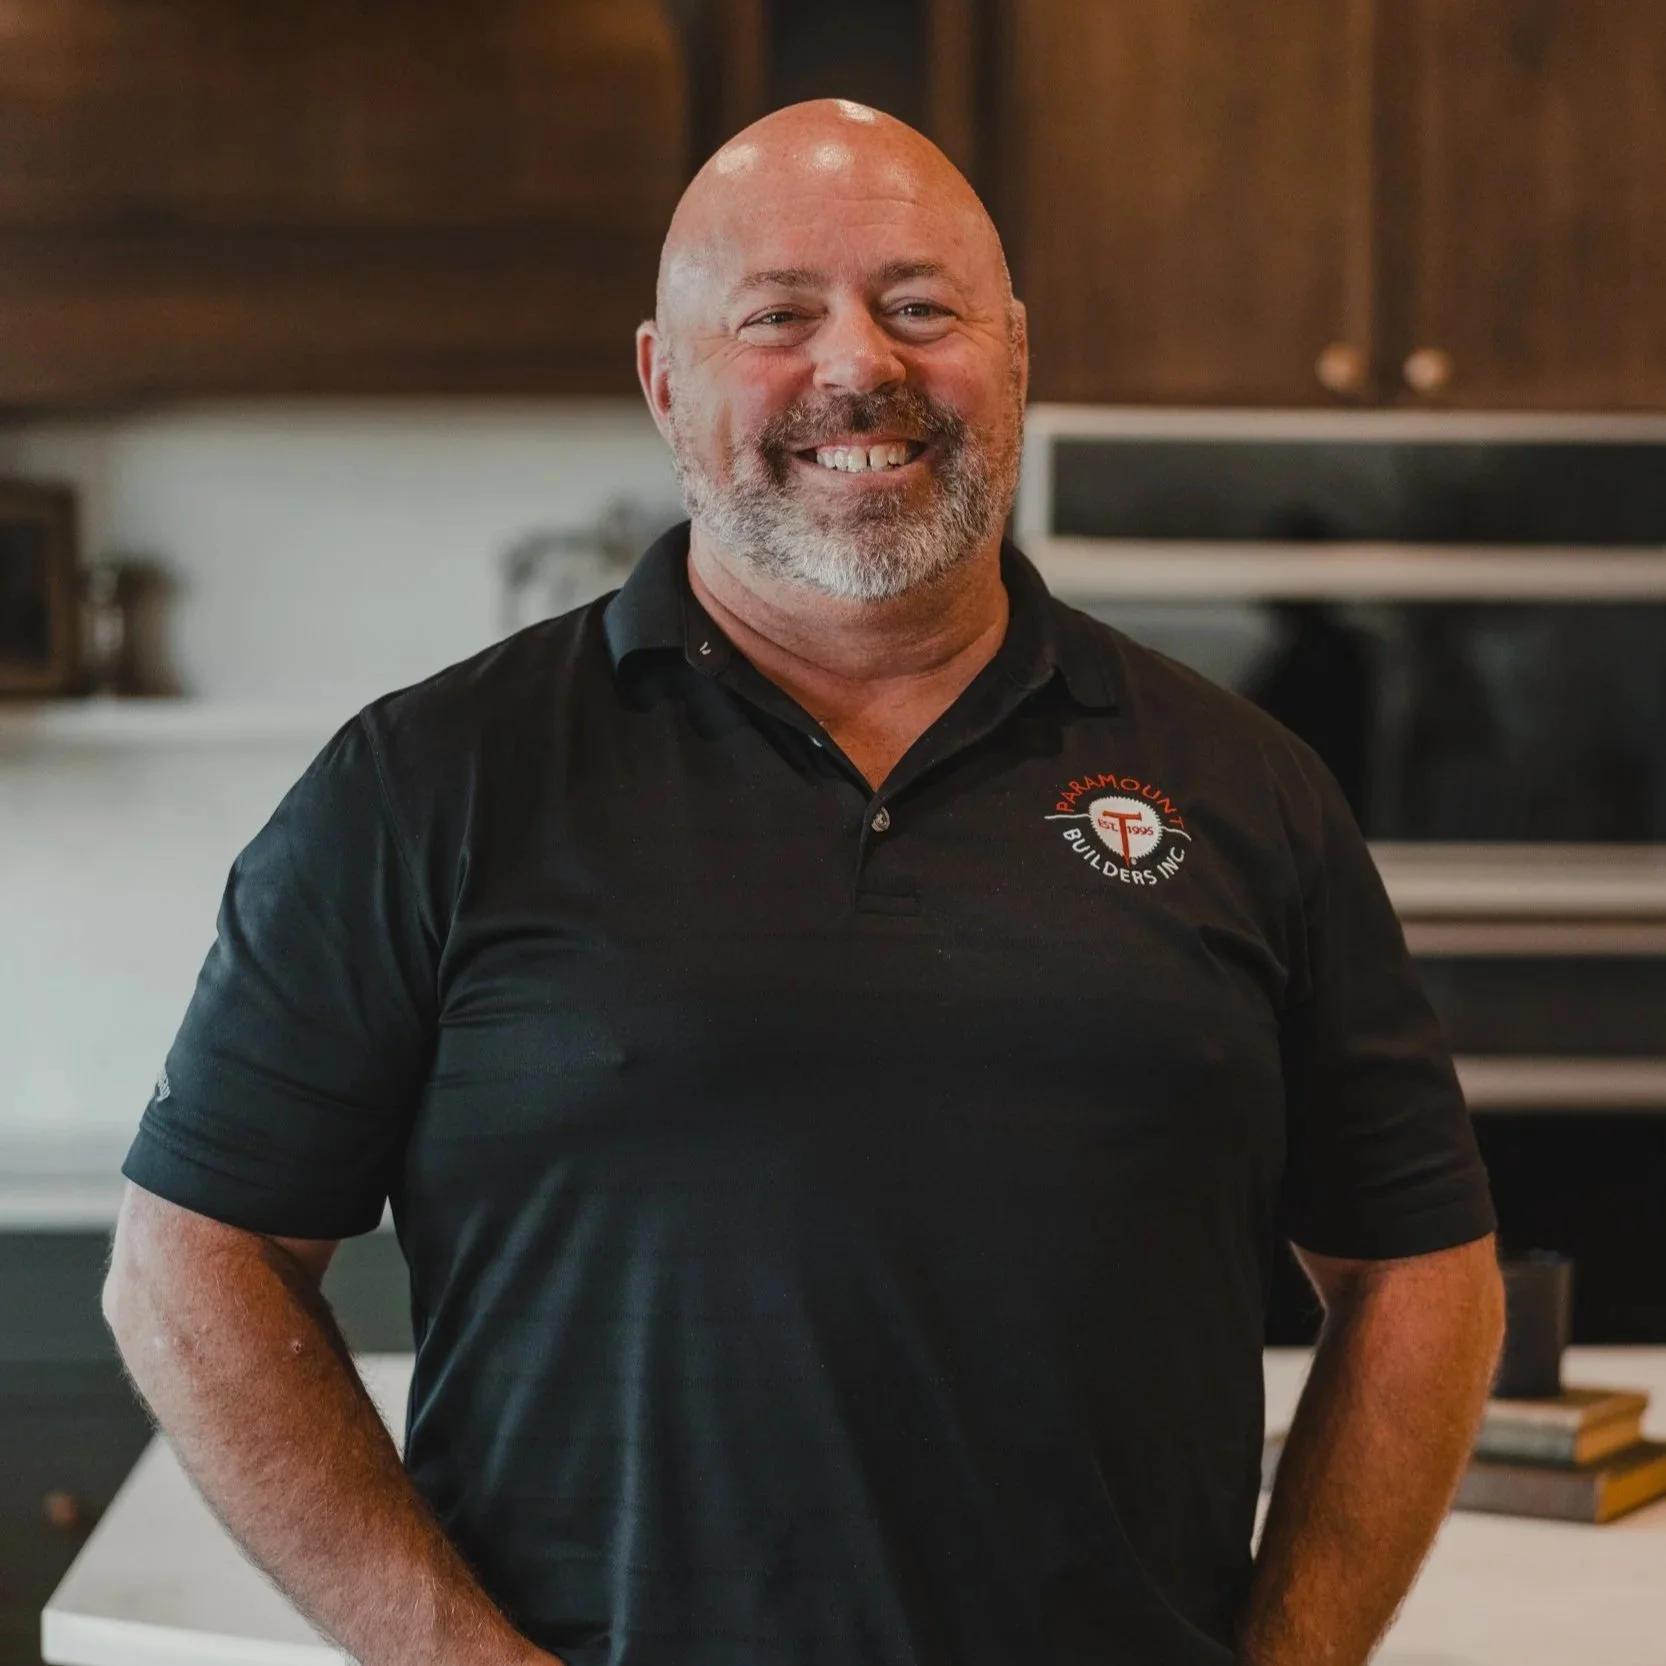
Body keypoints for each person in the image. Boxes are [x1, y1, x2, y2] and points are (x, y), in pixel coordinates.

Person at [103, 99, 1505, 1666]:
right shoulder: (432, 780)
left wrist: (1293, 1654)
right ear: (662, 379)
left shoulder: (1245, 785)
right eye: (777, 315)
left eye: (919, 307)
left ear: (1015, 354)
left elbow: (1418, 1267)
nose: (860, 365)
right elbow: (191, 1261)